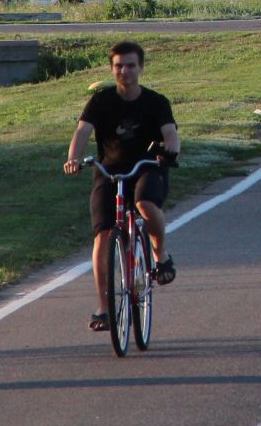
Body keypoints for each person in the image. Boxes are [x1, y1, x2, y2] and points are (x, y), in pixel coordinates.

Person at [64, 40, 180, 333]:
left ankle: (159, 256)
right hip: (109, 170)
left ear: (140, 67)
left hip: (147, 167)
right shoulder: (101, 100)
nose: (124, 71)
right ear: (112, 68)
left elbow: (171, 134)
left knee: (144, 204)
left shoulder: (156, 101)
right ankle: (104, 307)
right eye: (118, 66)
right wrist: (73, 159)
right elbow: (82, 131)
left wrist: (170, 151)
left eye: (130, 65)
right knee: (102, 236)